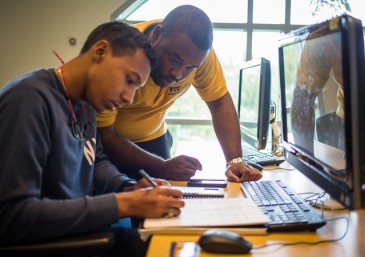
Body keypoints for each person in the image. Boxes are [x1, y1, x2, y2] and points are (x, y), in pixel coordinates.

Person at [0, 21, 184, 257]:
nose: (129, 98)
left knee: (178, 242)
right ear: (100, 52)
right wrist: (125, 204)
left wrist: (128, 187)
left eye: (136, 88)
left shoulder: (86, 105)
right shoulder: (29, 100)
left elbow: (94, 158)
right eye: (129, 80)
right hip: (54, 243)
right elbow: (12, 215)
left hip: (81, 232)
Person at [96, 5, 262, 183]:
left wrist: (235, 161)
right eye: (175, 60)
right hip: (110, 141)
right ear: (157, 35)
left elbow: (219, 102)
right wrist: (161, 166)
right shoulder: (120, 54)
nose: (178, 74)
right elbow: (106, 134)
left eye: (189, 68)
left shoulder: (198, 57)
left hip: (153, 138)